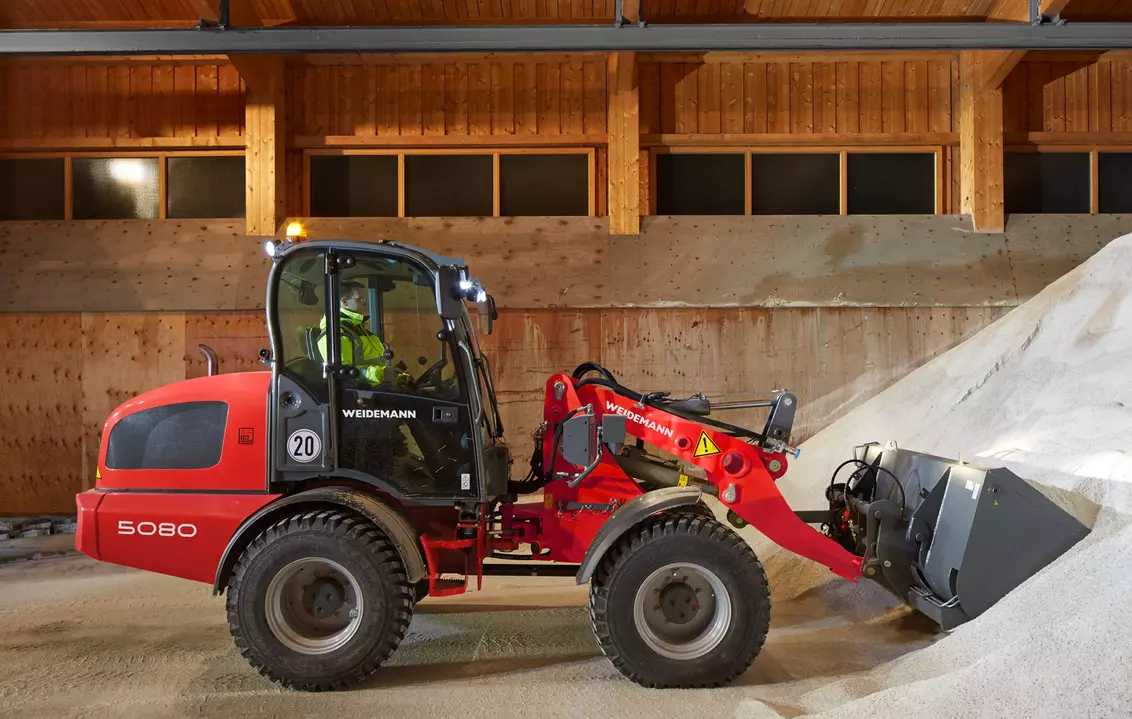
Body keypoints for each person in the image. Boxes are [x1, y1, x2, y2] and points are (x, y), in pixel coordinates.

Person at [316, 280, 395, 385]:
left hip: (376, 389)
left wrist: (391, 373)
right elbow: (344, 373)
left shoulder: (357, 328)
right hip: (361, 394)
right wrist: (381, 374)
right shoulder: (335, 334)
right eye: (361, 299)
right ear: (345, 302)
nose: (365, 303)